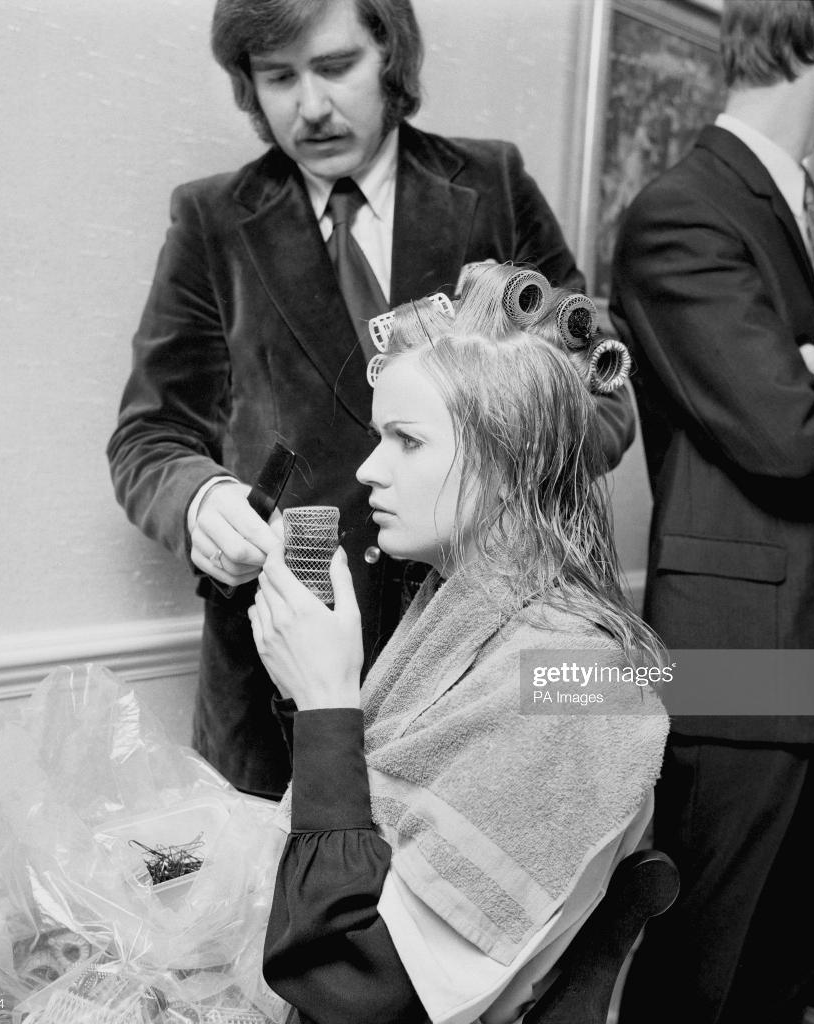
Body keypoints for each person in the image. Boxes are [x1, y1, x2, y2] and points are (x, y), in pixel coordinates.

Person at [106, 0, 635, 801]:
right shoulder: (212, 222)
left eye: (335, 67)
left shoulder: (491, 185)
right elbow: (149, 438)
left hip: (475, 662)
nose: (310, 107)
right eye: (278, 78)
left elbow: (601, 396)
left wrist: (497, 452)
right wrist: (200, 500)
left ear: (390, 55)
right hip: (273, 687)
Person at [609, 2, 814, 1021]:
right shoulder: (681, 214)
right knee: (705, 990)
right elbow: (786, 434)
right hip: (743, 681)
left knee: (780, 984)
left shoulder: (810, 219)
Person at [245, 264, 667, 1024]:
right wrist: (307, 687)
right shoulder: (456, 607)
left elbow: (353, 989)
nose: (368, 471)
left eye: (406, 440)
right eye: (378, 437)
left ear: (514, 463)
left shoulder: (578, 682)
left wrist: (326, 702)